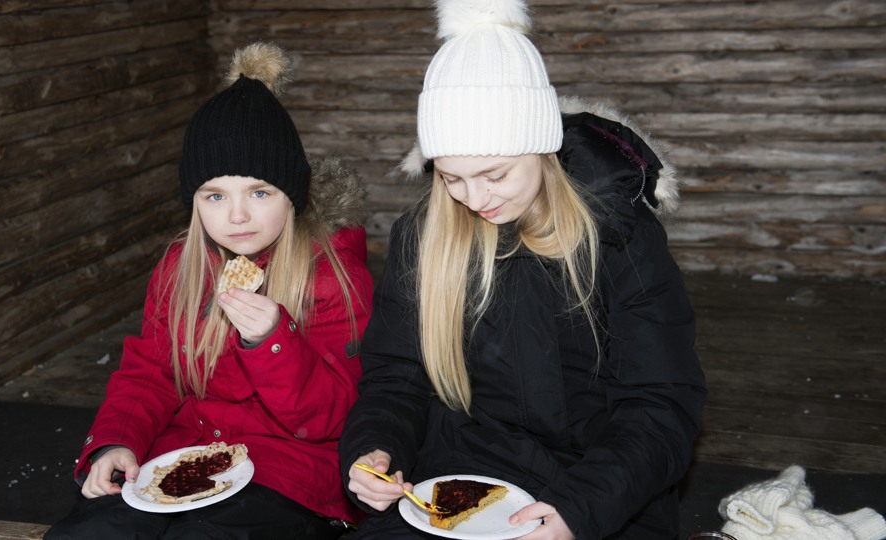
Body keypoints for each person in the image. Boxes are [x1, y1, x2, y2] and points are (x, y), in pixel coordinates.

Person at [338, 1, 706, 539]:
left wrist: (579, 509)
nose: (473, 197)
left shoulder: (617, 235)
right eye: (451, 178)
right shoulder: (424, 236)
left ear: (542, 146)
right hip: (466, 470)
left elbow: (661, 401)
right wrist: (378, 445)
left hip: (602, 485)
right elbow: (398, 376)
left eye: (494, 174)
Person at [46, 42, 373, 540]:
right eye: (215, 195)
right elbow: (150, 374)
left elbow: (334, 418)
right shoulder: (182, 268)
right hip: (187, 454)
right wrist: (117, 441)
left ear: (293, 197)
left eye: (259, 192)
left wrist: (272, 341)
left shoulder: (332, 277)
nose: (236, 215)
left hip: (290, 474)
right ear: (193, 201)